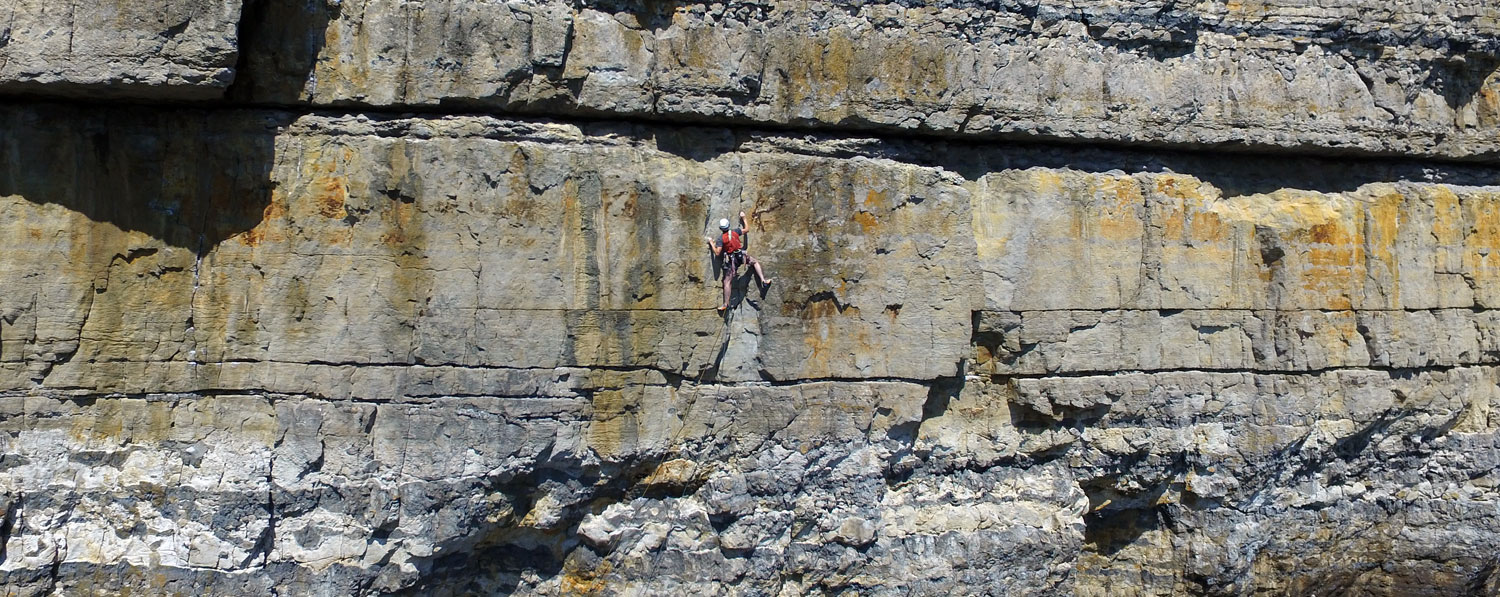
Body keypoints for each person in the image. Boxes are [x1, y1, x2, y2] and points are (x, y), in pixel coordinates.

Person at [706, 211, 772, 311]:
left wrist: (711, 243)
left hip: (732, 260)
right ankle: (763, 280)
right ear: (728, 226)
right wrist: (744, 217)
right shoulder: (735, 232)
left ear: (720, 228)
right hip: (741, 256)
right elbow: (747, 229)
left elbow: (717, 253)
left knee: (727, 282)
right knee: (755, 262)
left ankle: (725, 304)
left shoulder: (721, 239)